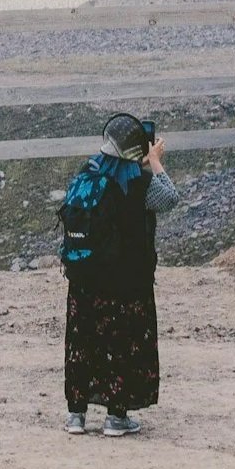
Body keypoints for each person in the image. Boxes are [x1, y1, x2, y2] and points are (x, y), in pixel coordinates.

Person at [61, 112, 181, 437]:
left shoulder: (86, 174)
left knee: (82, 342)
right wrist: (155, 162)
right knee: (122, 344)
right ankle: (116, 417)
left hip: (83, 279)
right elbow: (170, 197)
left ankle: (76, 415)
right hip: (126, 282)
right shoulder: (139, 184)